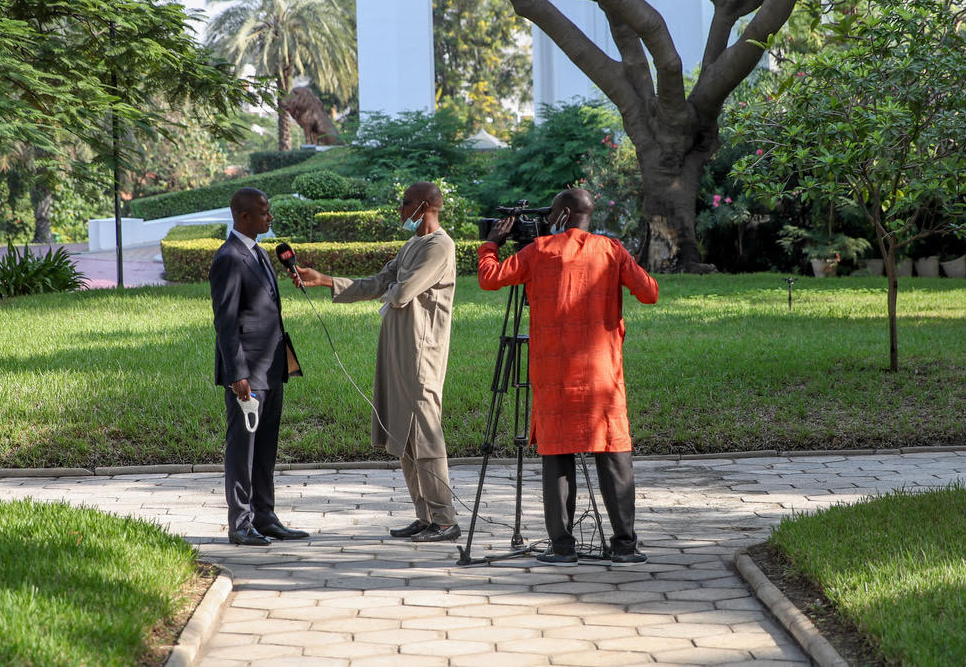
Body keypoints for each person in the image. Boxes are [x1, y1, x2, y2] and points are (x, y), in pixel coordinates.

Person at [477, 188, 658, 566]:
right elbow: (650, 293)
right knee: (612, 452)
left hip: (554, 373)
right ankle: (625, 546)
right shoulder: (611, 250)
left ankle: (562, 548)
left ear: (560, 215)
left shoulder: (539, 251)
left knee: (557, 454)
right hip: (602, 373)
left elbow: (490, 278)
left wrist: (491, 243)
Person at [290, 182, 460, 543]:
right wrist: (324, 280)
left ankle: (445, 520)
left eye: (406, 203)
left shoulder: (440, 246)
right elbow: (382, 281)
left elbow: (401, 292)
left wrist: (392, 282)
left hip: (421, 352)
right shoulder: (413, 243)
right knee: (403, 433)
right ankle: (425, 516)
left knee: (425, 434)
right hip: (396, 347)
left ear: (426, 205)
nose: (401, 210)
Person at [209, 187, 308, 546]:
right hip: (247, 372)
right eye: (264, 212)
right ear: (243, 216)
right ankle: (241, 523)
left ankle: (265, 517)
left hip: (271, 366)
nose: (271, 217)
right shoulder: (229, 258)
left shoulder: (261, 253)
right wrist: (236, 373)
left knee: (266, 446)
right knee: (243, 447)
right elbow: (226, 321)